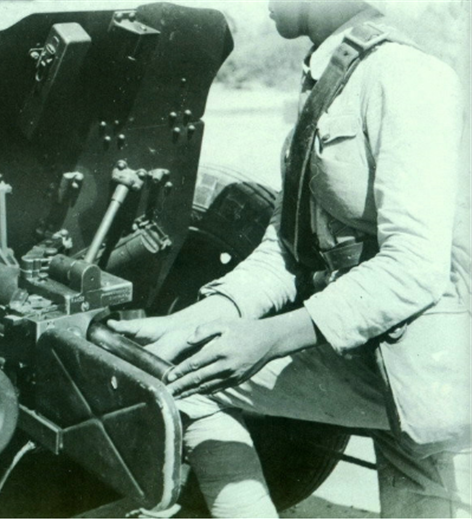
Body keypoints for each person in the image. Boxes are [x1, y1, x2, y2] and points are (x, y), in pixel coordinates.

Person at [110, 1, 470, 517]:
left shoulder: (406, 76)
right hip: (391, 342)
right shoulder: (337, 74)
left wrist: (271, 337)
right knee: (419, 485)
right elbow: (285, 251)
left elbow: (414, 266)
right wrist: (187, 323)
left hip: (438, 355)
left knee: (188, 386)